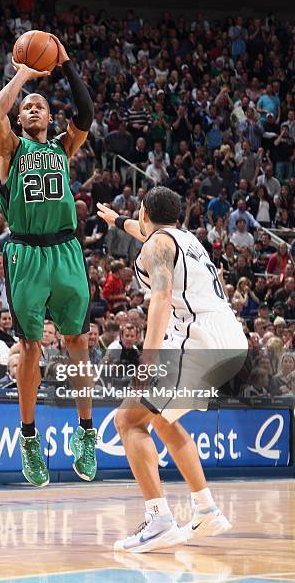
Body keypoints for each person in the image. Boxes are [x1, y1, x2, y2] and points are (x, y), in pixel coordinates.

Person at [97, 187, 247, 552]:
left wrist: (147, 361)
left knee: (127, 420)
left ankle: (160, 520)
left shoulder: (157, 246)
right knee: (162, 420)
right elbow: (142, 232)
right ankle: (206, 509)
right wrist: (117, 221)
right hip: (230, 342)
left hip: (201, 341)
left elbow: (161, 299)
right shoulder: (183, 238)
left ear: (145, 210)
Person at [0, 34, 97, 487]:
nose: (32, 108)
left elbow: (86, 114)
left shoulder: (62, 149)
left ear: (51, 118)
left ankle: (86, 433)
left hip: (67, 251)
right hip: (27, 253)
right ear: (20, 117)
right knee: (31, 347)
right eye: (26, 106)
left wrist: (66, 63)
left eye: (40, 105)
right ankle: (29, 439)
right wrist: (24, 74)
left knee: (77, 343)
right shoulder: (11, 151)